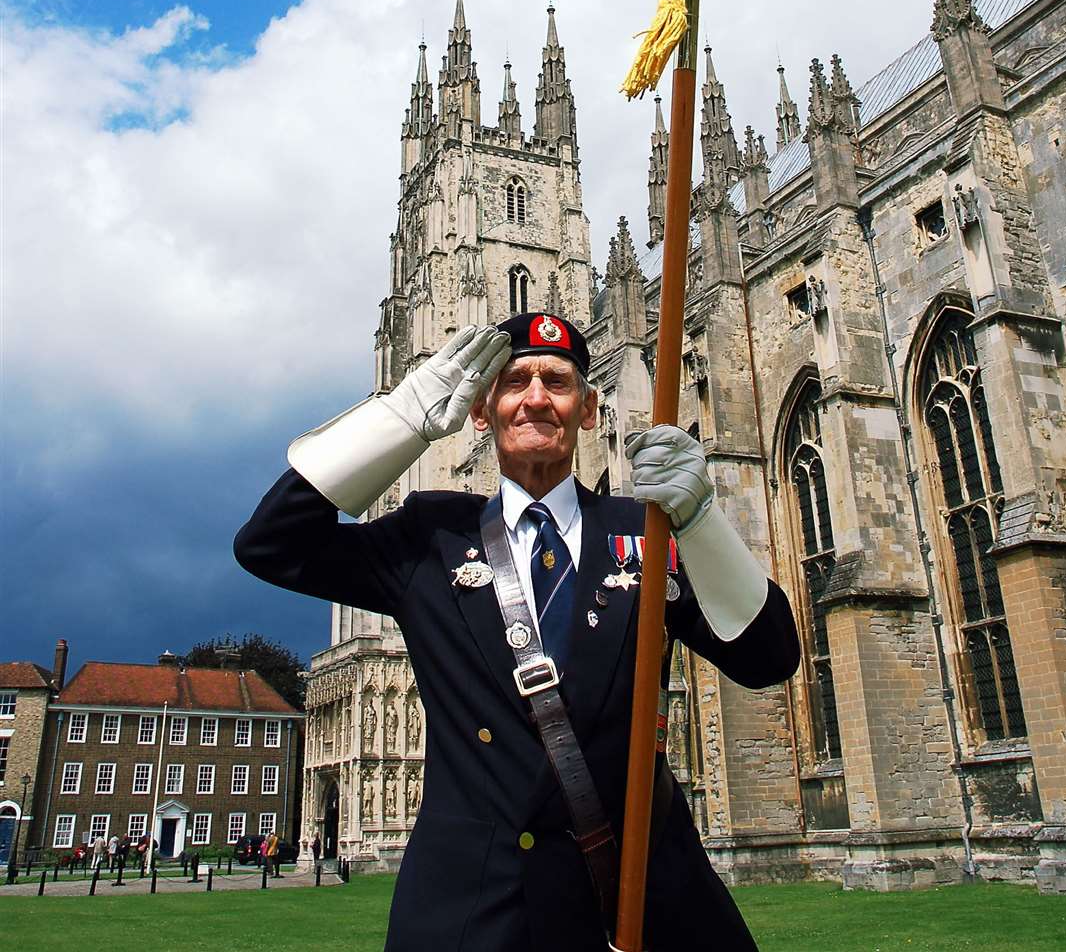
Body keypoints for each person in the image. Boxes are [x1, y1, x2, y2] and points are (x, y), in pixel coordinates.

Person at [236, 314, 799, 951]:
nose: (536, 397)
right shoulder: (432, 537)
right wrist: (405, 415)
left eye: (557, 382)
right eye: (514, 382)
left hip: (633, 904)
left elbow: (769, 656)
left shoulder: (642, 531)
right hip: (477, 910)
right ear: (482, 411)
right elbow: (269, 544)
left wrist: (700, 519)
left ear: (589, 410)